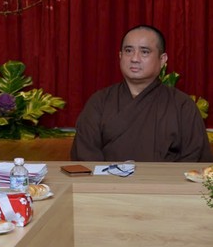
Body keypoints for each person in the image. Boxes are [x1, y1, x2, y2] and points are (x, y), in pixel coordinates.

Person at [71, 25, 213, 162]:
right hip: (107, 179)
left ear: (162, 60)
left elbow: (195, 159)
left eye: (144, 52)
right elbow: (85, 155)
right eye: (128, 51)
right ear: (120, 56)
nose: (134, 58)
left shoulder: (182, 105)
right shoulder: (99, 102)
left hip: (166, 180)